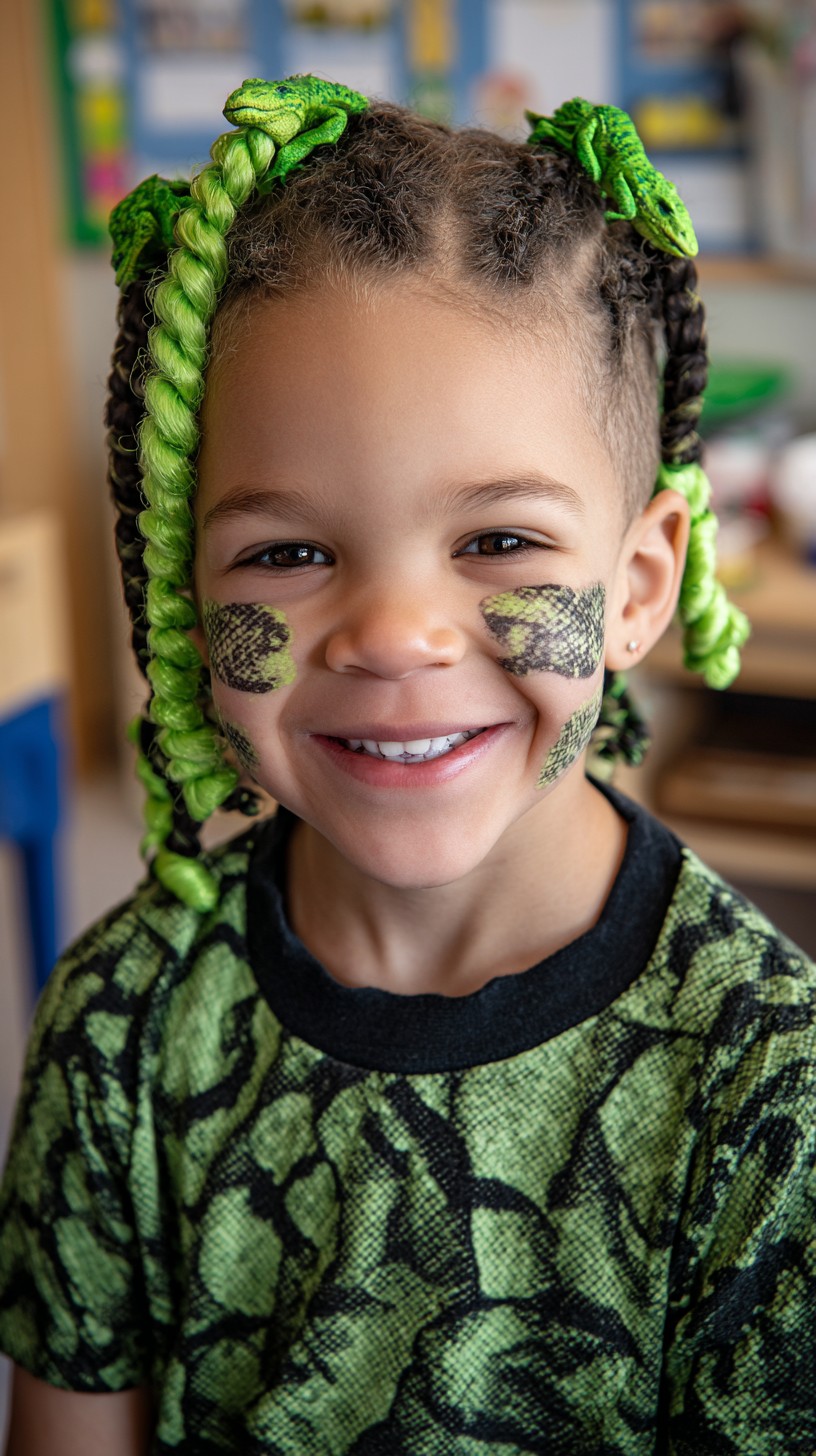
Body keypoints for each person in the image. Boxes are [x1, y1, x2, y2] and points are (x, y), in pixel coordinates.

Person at [0, 75, 814, 1456]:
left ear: (638, 583)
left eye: (498, 540)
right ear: (189, 598)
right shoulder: (122, 1028)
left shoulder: (772, 1094)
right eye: (290, 552)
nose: (392, 635)